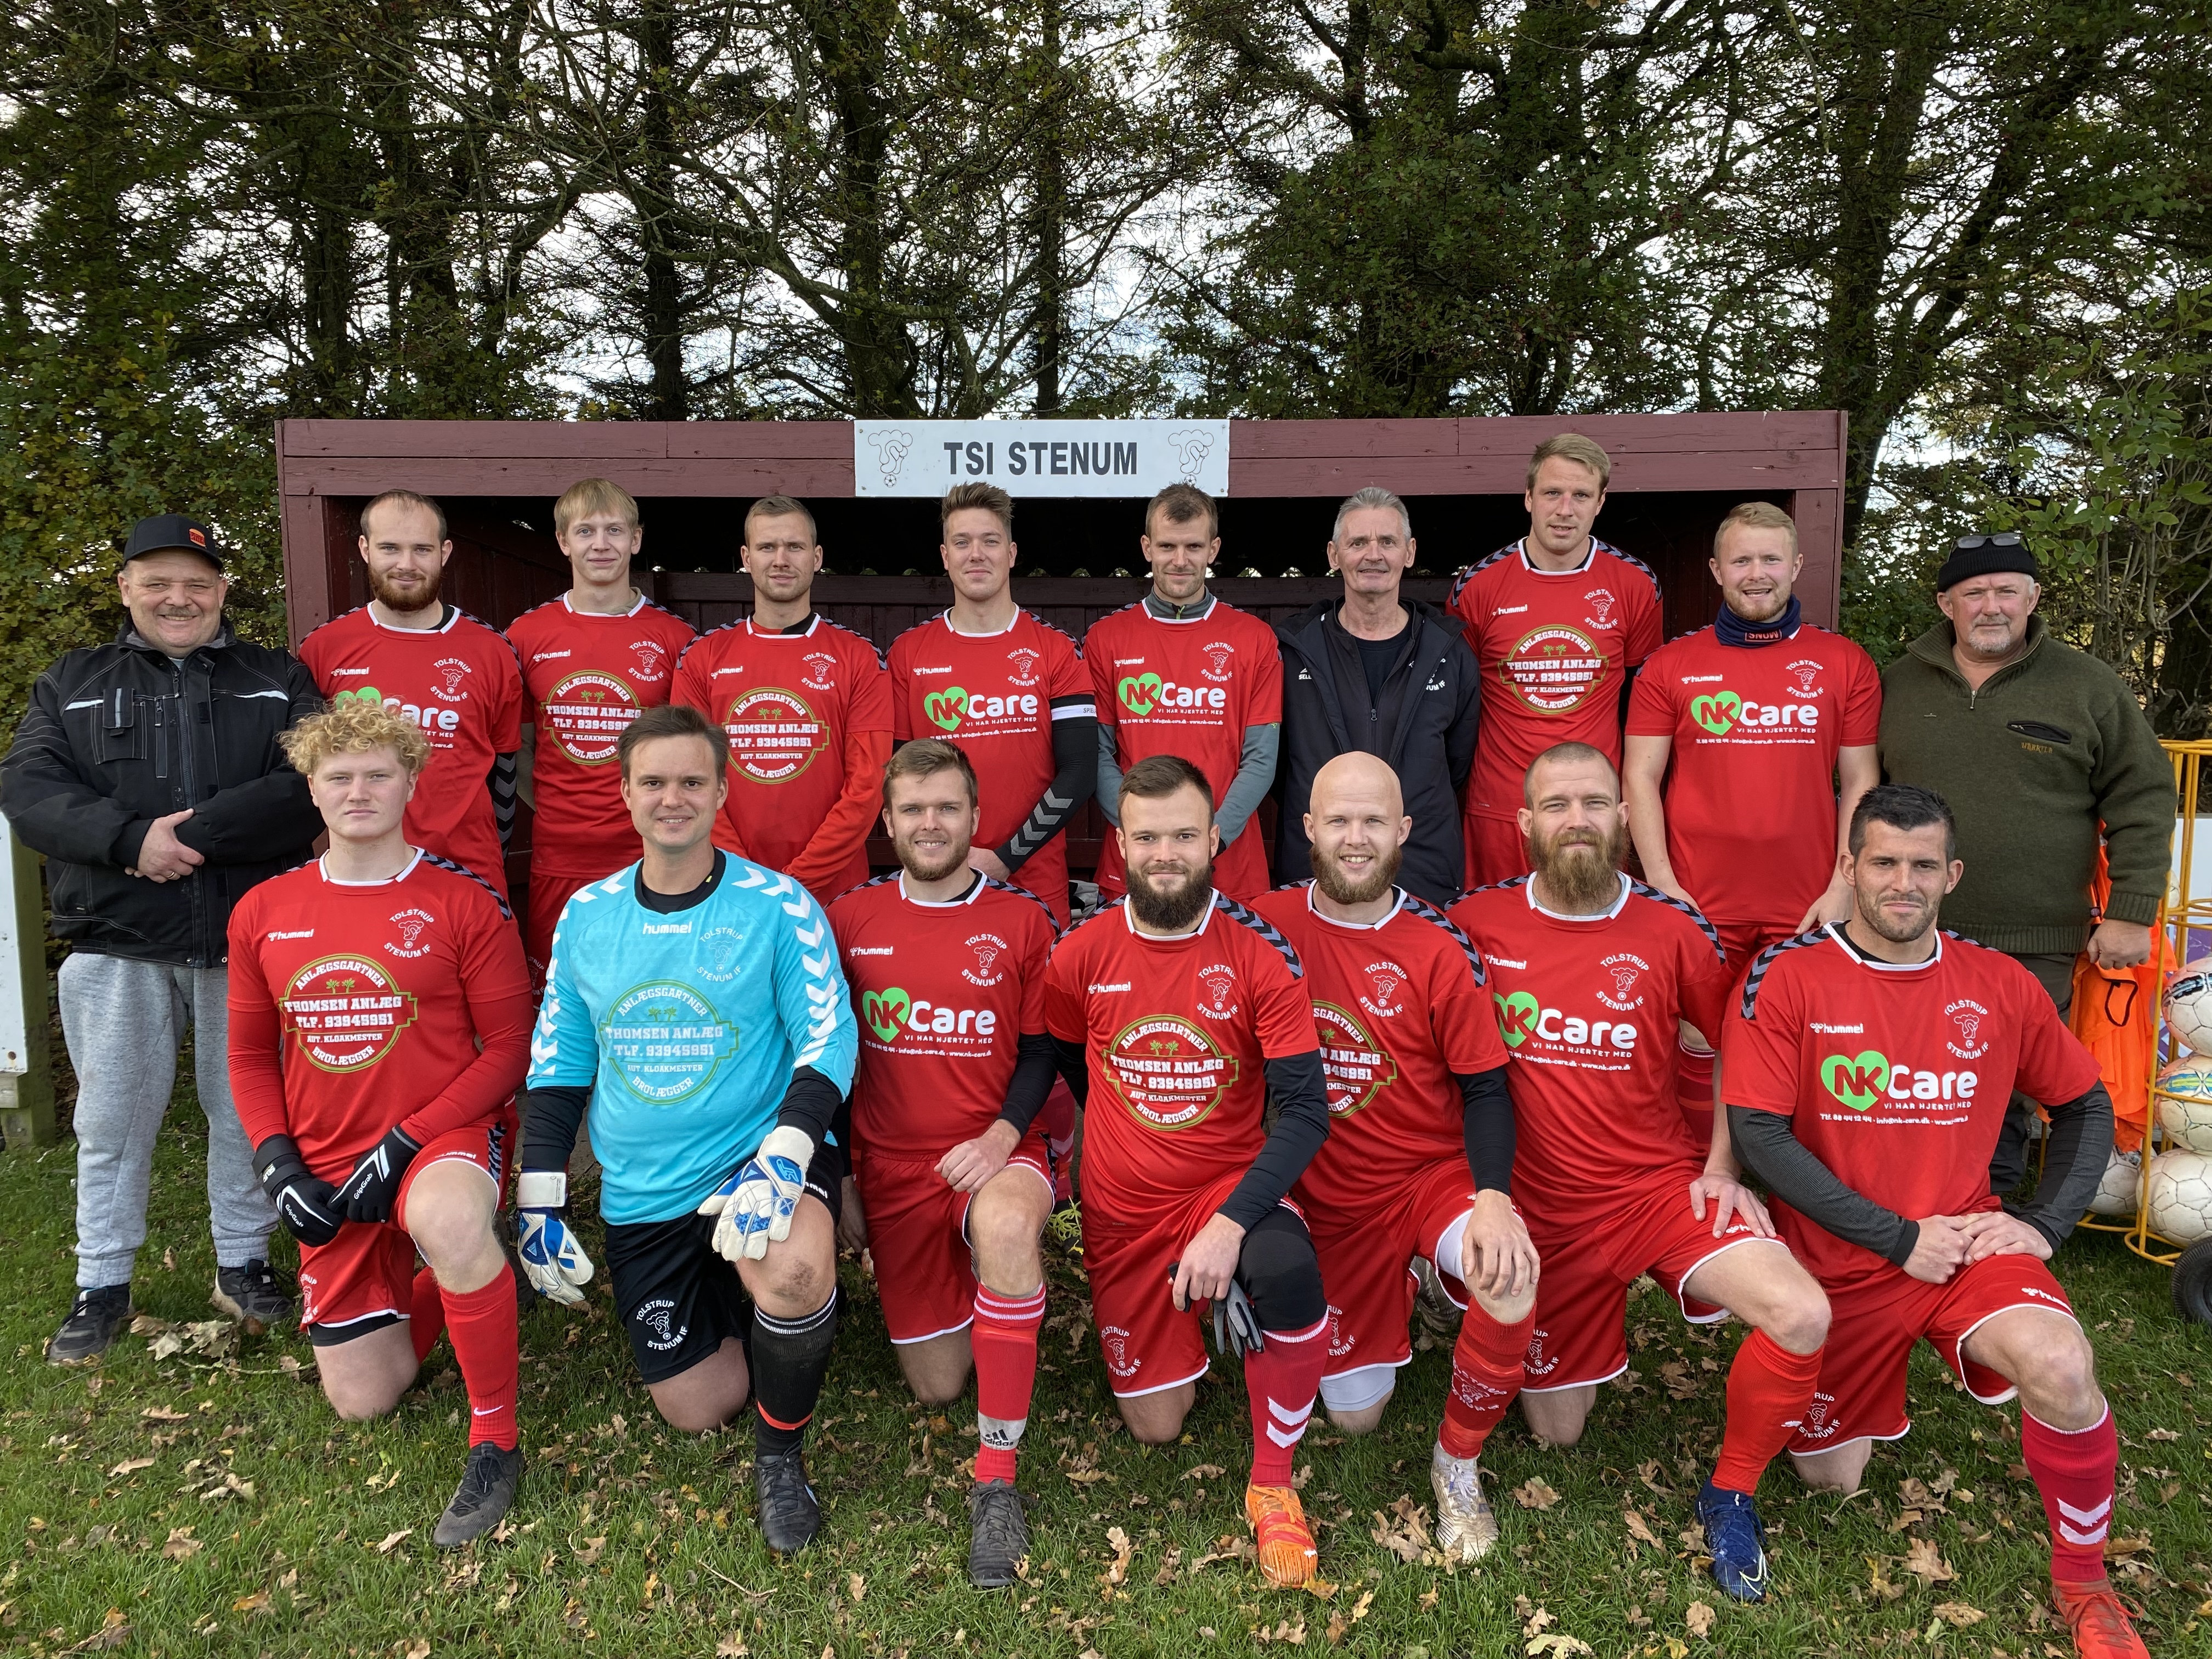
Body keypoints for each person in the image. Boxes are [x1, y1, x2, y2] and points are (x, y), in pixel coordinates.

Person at [1724, 784, 2144, 1659]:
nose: (1903, 882)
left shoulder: (1998, 983)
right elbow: (1760, 1136)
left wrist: (2044, 1226)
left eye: (1923, 865)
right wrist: (1897, 1238)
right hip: (1843, 1263)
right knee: (1829, 1479)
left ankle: (2085, 1585)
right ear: (1850, 867)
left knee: (2063, 1365)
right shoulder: (1789, 974)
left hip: (1962, 1248)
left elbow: (2085, 1105)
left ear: (1952, 875)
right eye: (1883, 861)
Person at [1447, 743, 1831, 1604]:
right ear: (1524, 823)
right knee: (1558, 1434)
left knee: (1802, 1313)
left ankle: (1731, 1492)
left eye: (1595, 803)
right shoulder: (1475, 922)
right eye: (1556, 805)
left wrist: (1725, 1165)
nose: (1576, 820)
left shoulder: (1673, 928)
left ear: (1624, 817)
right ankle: (1521, 1312)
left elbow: (1738, 1046)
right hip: (1537, 1211)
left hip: (1656, 1193)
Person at [513, 703, 859, 1554]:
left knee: (791, 1272)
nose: (674, 799)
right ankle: (756, 1309)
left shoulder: (778, 905)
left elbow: (828, 1036)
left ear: (722, 792)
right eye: (655, 782)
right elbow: (559, 1062)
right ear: (625, 792)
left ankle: (781, 1457)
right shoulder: (587, 915)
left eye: (693, 782)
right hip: (646, 1192)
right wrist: (539, 1196)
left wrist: (787, 1155)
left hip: (755, 1163)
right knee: (699, 1408)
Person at [1, 512, 324, 1364]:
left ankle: (243, 1265)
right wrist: (127, 841)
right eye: (158, 582)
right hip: (118, 940)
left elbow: (311, 779)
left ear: (222, 589)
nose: (178, 598)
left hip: (246, 937)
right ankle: (102, 1283)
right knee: (112, 1120)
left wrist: (188, 838)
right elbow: (28, 788)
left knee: (245, 1113)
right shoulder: (70, 682)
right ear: (126, 589)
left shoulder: (276, 678)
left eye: (196, 583)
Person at [227, 702, 535, 1545]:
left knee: (449, 1220)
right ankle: (467, 1285)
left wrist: (407, 1141)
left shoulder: (463, 900)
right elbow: (249, 1058)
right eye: (339, 776)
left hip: (442, 1138)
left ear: (409, 785)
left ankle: (495, 1440)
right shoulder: (263, 909)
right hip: (326, 1156)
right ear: (313, 789)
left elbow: (511, 1049)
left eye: (377, 775)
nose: (358, 791)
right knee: (366, 1398)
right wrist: (278, 1163)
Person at [1044, 755, 1334, 1588]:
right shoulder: (1081, 952)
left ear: (1213, 839)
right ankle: (1203, 1305)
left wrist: (1230, 1222)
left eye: (1182, 835)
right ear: (1120, 845)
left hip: (1222, 1192)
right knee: (1156, 1427)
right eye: (1147, 838)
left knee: (1287, 1270)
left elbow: (1305, 1111)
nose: (1164, 854)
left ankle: (1272, 1482)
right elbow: (1069, 1061)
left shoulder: (1259, 953)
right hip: (1124, 1211)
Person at [1251, 753, 1536, 1563]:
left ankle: (1458, 1464)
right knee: (1354, 1417)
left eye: (1374, 821)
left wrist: (1493, 1198)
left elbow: (1486, 1089)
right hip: (1315, 1192)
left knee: (1511, 1276)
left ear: (1404, 830)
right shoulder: (1263, 926)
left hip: (1421, 1180)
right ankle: (1411, 1284)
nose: (1356, 839)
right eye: (1339, 820)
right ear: (1308, 828)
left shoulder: (1440, 946)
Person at [827, 739, 1059, 1587]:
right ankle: (996, 1295)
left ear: (974, 817)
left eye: (947, 807)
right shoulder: (849, 919)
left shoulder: (1023, 919)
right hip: (892, 1169)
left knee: (1006, 1228)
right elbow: (829, 1058)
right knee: (936, 1387)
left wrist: (1001, 1137)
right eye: (914, 809)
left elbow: (1043, 1049)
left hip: (997, 1151)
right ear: (888, 823)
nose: (931, 823)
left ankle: (996, 1481)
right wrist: (842, 1175)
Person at [1877, 534, 2171, 1190]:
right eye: (1975, 593)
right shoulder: (1896, 684)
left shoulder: (2087, 686)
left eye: (2007, 591)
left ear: (2033, 598)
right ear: (1946, 603)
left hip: (2034, 935)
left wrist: (2131, 912)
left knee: (2003, 1080)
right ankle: (1900, 1202)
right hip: (1907, 926)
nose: (1992, 606)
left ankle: (1994, 1214)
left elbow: (2145, 797)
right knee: (1908, 1073)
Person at [1623, 500, 1882, 1140]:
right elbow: (1639, 778)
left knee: (1799, 1041)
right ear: (1717, 570)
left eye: (1771, 559)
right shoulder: (1670, 665)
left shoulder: (1844, 662)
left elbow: (1861, 782)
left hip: (1805, 897)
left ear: (1796, 565)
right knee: (1696, 1037)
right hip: (1699, 895)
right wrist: (1662, 883)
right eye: (1741, 560)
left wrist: (1842, 885)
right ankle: (1699, 1173)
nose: (1757, 573)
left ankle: (1790, 1174)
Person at [1451, 435, 1662, 890]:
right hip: (1501, 807)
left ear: (1600, 502)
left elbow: (1645, 705)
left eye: (1581, 495)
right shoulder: (1477, 587)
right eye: (1552, 493)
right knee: (1492, 927)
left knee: (1591, 927)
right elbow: (1457, 702)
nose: (1565, 509)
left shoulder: (1636, 584)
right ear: (1529, 497)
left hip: (1591, 811)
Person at [505, 478, 696, 977]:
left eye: (614, 530)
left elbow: (690, 756)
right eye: (585, 531)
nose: (601, 544)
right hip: (560, 856)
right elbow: (519, 746)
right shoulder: (526, 635)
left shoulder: (675, 638)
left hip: (650, 854)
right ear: (563, 542)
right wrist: (561, 807)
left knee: (650, 992)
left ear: (636, 539)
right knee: (562, 996)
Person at [298, 490, 525, 899]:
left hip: (469, 875)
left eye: (422, 549)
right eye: (390, 548)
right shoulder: (322, 649)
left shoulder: (493, 650)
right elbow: (308, 773)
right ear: (365, 549)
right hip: (361, 878)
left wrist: (496, 860)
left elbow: (504, 774)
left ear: (444, 552)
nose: (406, 564)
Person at [887, 483, 1096, 925]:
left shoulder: (1057, 650)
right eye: (962, 542)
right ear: (945, 556)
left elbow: (1080, 770)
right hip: (939, 878)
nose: (976, 554)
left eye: (990, 541)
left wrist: (1006, 858)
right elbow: (899, 775)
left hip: (1034, 883)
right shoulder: (908, 653)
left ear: (1012, 553)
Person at [672, 495, 888, 907]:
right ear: (746, 558)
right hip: (726, 884)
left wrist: (798, 880)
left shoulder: (859, 658)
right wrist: (743, 874)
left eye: (795, 546)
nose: (781, 560)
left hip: (832, 891)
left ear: (817, 557)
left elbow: (868, 785)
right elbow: (689, 778)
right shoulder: (702, 658)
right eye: (767, 547)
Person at [1275, 488, 1480, 906]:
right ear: (1334, 555)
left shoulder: (1449, 651)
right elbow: (1278, 767)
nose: (1374, 555)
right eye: (1358, 543)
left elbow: (1457, 762)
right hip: (1316, 869)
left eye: (1387, 541)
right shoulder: (1293, 650)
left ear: (1410, 552)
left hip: (1421, 868)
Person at [1087, 484, 1280, 901]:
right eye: (1167, 546)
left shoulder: (1254, 638)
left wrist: (1212, 841)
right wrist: (1142, 837)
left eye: (1193, 546)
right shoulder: (1106, 638)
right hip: (1135, 864)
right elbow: (1096, 753)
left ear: (1213, 549)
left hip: (1229, 865)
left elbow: (1261, 759)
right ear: (1147, 548)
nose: (1180, 560)